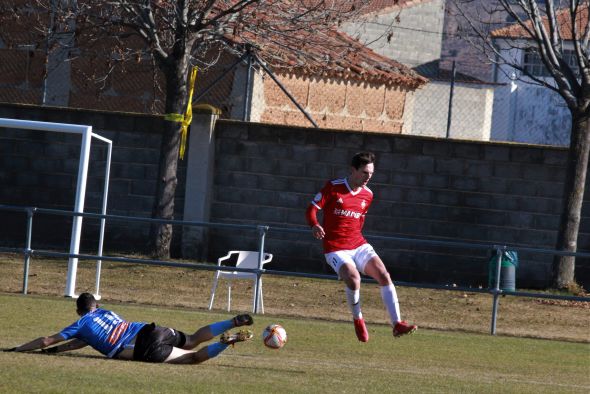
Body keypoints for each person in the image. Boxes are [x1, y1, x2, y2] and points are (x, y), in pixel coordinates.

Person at [305, 151, 417, 342]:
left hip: (358, 244)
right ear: (353, 170)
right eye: (365, 172)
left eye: (371, 174)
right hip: (335, 247)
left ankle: (397, 324)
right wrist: (315, 224)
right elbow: (312, 209)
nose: (368, 177)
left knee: (383, 275)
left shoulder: (368, 195)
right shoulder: (333, 188)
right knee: (354, 279)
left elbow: (359, 219)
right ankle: (358, 319)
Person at [3, 292, 253, 364]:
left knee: (193, 358)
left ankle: (225, 343)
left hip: (141, 347)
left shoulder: (81, 324)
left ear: (79, 311)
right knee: (194, 339)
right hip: (151, 329)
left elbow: (47, 340)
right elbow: (84, 342)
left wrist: (18, 349)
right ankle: (231, 323)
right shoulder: (107, 312)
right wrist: (57, 352)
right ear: (96, 305)